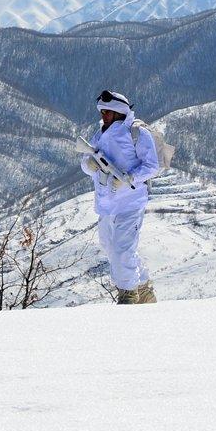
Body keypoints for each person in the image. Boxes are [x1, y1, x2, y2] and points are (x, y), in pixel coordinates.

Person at [80, 90, 160, 304]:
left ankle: (128, 295)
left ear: (119, 113)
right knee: (109, 246)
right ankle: (143, 287)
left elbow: (152, 166)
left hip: (130, 202)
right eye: (102, 111)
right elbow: (87, 161)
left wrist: (129, 178)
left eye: (108, 112)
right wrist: (89, 165)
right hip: (106, 203)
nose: (104, 115)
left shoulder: (138, 134)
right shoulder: (99, 134)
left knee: (122, 249)